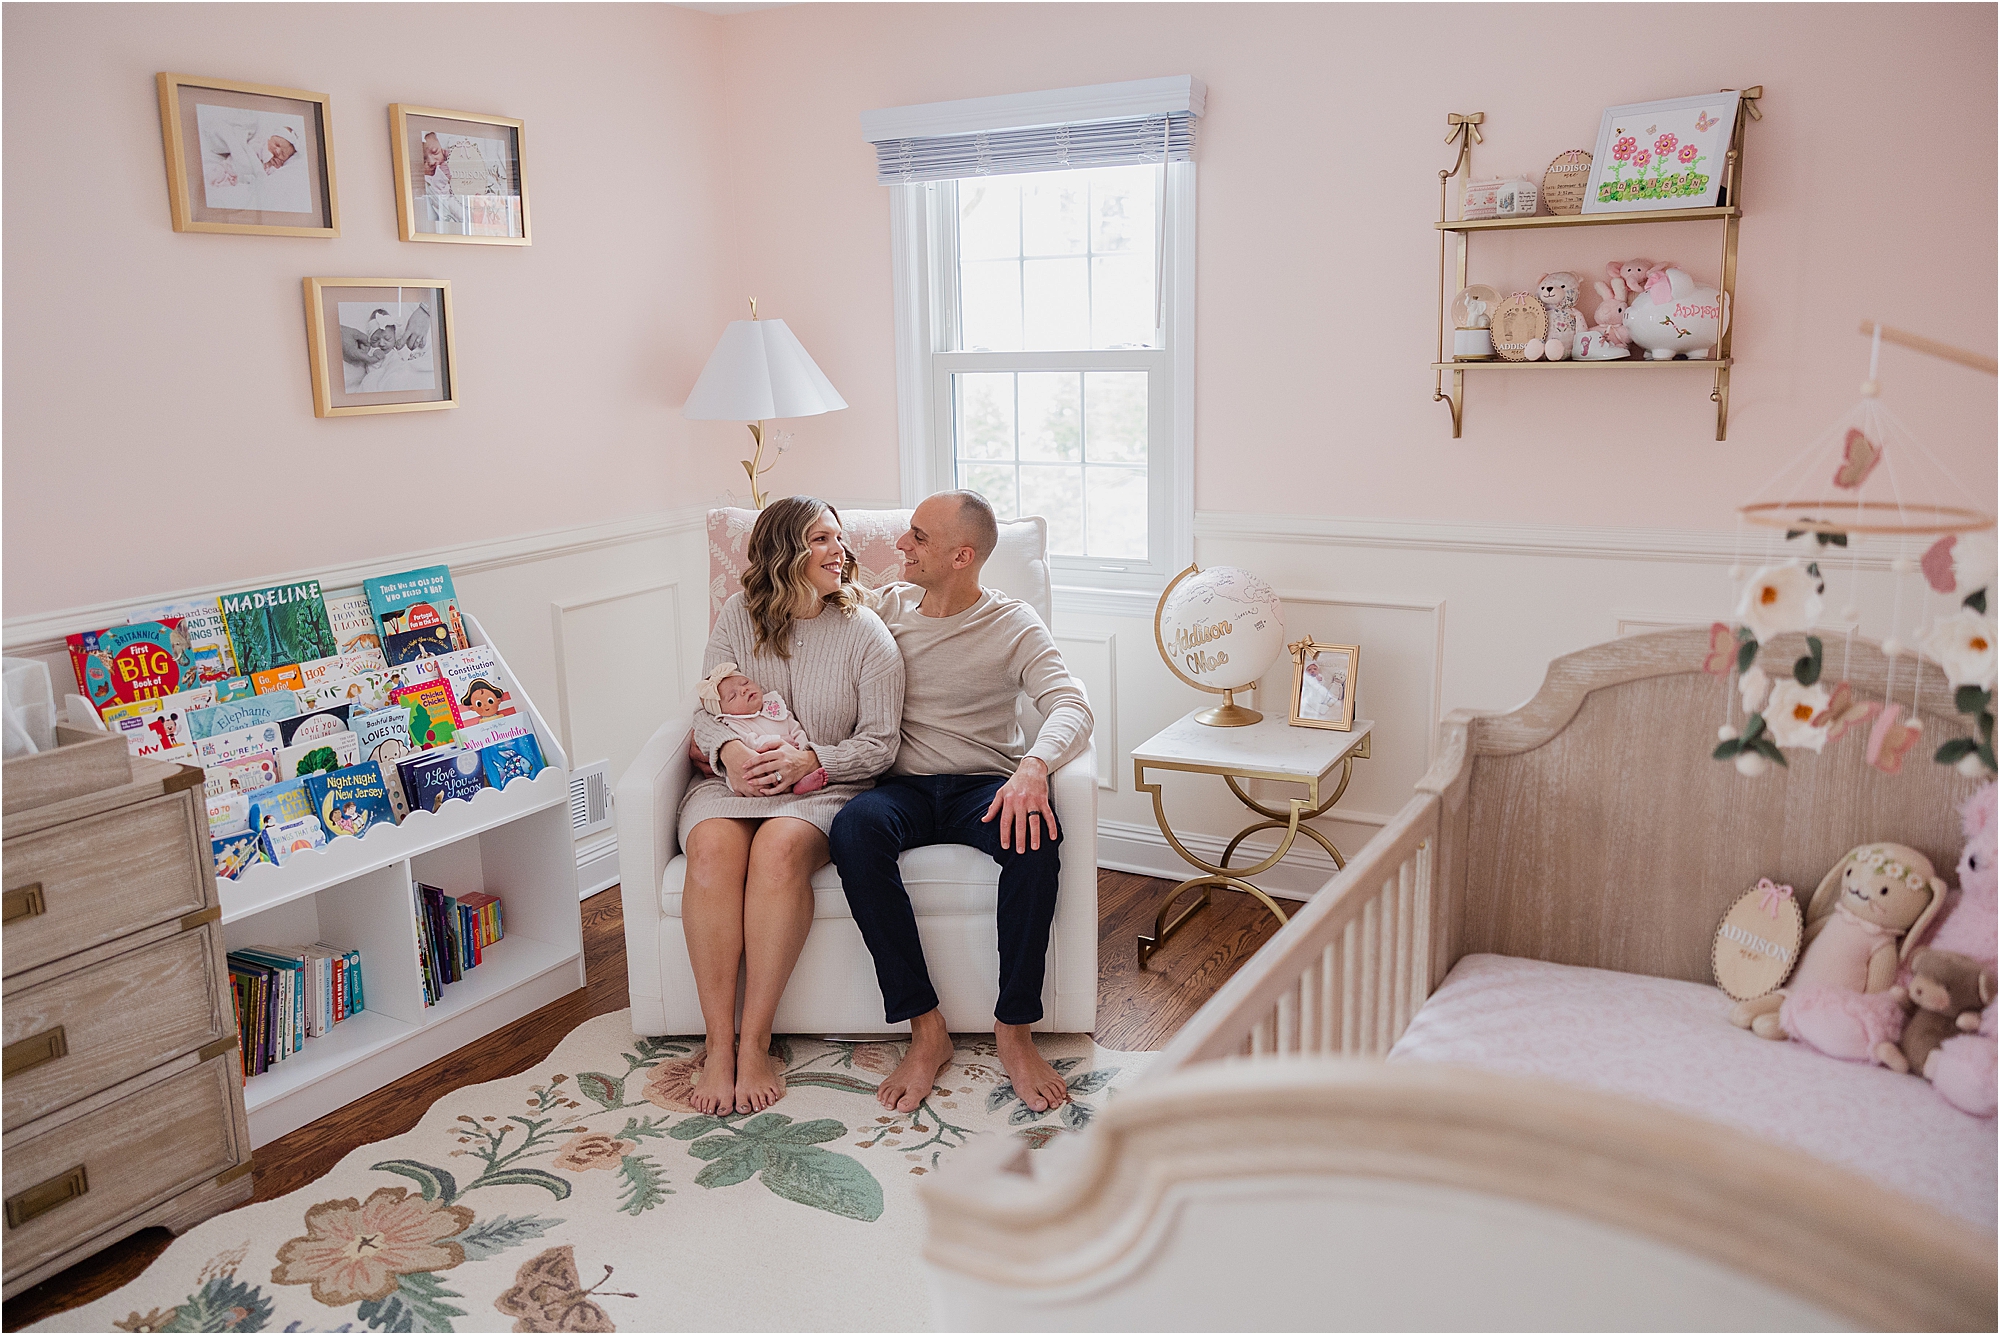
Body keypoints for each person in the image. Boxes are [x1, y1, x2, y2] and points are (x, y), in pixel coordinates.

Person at [827, 490, 1094, 1115]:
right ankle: (926, 1028)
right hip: (900, 787)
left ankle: (1015, 1029)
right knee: (853, 833)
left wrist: (1034, 766)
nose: (901, 546)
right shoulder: (884, 609)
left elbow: (1071, 703)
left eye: (918, 537)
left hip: (985, 785)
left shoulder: (1014, 622)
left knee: (1036, 841)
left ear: (961, 555)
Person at [682, 497, 904, 1115]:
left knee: (777, 851)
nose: (840, 552)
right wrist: (726, 750)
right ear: (784, 553)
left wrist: (812, 763)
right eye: (820, 540)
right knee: (710, 852)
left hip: (824, 787)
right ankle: (717, 1045)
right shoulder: (737, 616)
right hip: (730, 786)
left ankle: (754, 1044)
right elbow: (706, 707)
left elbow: (881, 743)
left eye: (840, 538)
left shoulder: (866, 633)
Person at [697, 663, 829, 795]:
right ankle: (784, 787)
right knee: (759, 774)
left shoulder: (773, 706)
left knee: (794, 769)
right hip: (759, 763)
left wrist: (801, 749)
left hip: (792, 758)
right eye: (733, 696)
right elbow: (751, 742)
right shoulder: (734, 723)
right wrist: (780, 741)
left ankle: (803, 783)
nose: (744, 690)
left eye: (745, 682)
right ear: (724, 712)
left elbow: (796, 729)